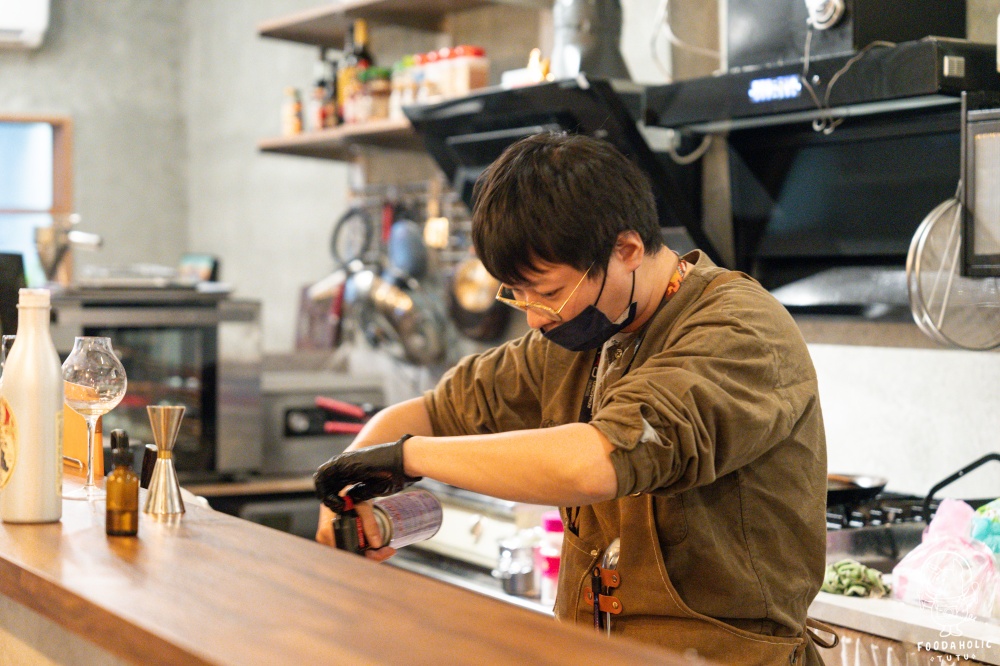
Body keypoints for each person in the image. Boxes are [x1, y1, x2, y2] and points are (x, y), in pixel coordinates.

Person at [315, 133, 831, 664]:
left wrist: (408, 457)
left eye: (550, 292)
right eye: (517, 294)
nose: (536, 318)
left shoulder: (740, 329)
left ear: (627, 250)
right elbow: (433, 411)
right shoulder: (579, 338)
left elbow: (598, 460)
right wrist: (350, 492)